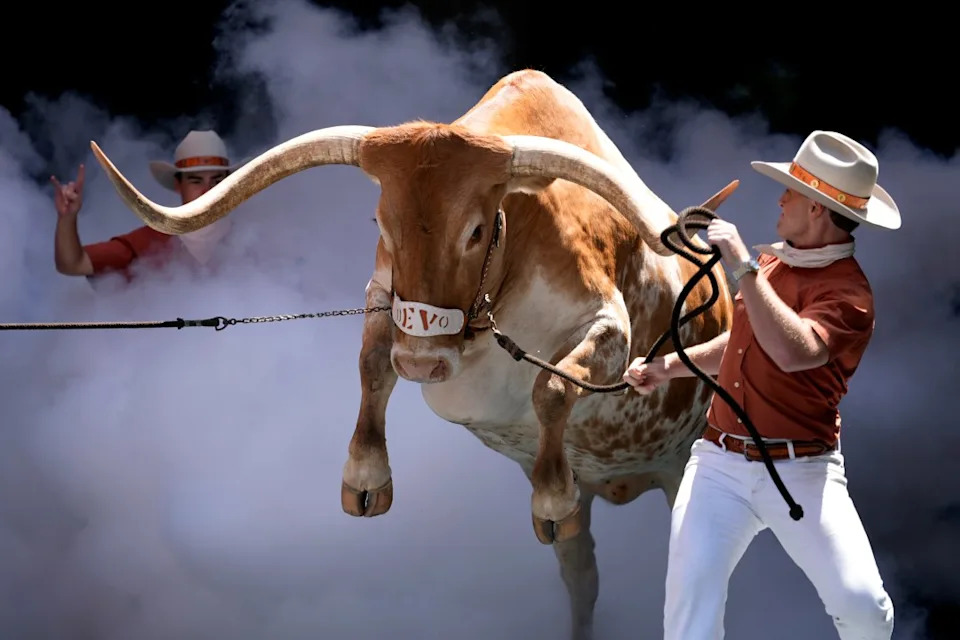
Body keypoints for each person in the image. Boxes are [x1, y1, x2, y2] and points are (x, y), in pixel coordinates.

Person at [623, 130, 900, 639]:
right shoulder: (776, 264)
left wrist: (743, 268)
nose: (781, 198)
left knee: (863, 606)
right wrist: (665, 368)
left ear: (817, 208)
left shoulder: (849, 294)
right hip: (718, 465)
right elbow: (743, 342)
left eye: (791, 191)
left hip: (802, 470)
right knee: (689, 615)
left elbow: (795, 351)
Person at [51, 129, 241, 284]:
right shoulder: (147, 243)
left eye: (216, 181)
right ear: (178, 185)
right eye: (196, 181)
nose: (207, 191)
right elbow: (72, 265)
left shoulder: (248, 242)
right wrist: (67, 219)